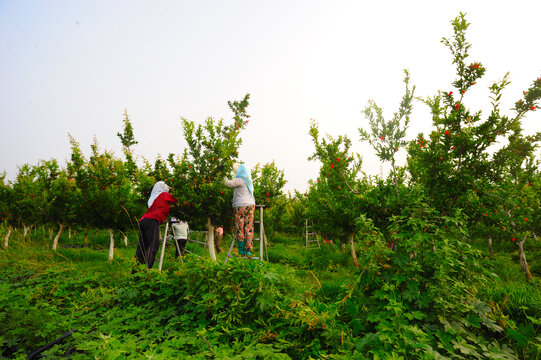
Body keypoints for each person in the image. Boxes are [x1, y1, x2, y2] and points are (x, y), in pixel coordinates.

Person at [135, 181, 177, 269]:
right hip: (152, 221)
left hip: (143, 220)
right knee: (153, 245)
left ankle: (136, 269)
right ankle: (147, 270)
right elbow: (175, 200)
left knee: (142, 246)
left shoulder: (153, 197)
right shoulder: (164, 194)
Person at [224, 163, 255, 257]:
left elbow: (228, 184)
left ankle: (241, 251)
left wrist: (224, 176)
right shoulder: (248, 181)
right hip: (251, 205)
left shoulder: (240, 180)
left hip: (240, 206)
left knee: (240, 227)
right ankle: (249, 251)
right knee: (249, 227)